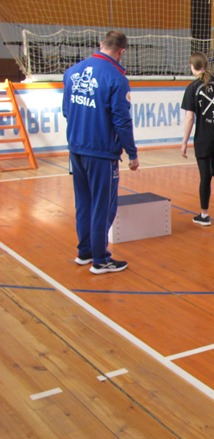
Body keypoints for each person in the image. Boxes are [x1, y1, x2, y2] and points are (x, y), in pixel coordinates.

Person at [62, 30, 138, 274]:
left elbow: (66, 111)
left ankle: (85, 252)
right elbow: (122, 121)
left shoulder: (72, 72)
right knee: (103, 207)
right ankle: (100, 259)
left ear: (101, 44)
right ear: (121, 51)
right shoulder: (116, 78)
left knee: (84, 202)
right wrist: (132, 153)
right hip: (101, 152)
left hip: (76, 149)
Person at [181, 52, 214, 226]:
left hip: (204, 139)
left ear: (192, 67)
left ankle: (204, 215)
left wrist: (184, 142)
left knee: (205, 175)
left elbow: (189, 118)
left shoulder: (192, 88)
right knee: (211, 168)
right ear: (206, 65)